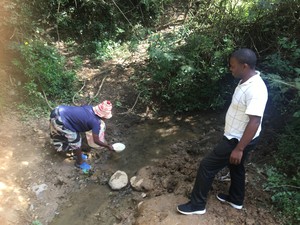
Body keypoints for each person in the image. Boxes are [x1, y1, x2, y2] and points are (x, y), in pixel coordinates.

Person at [177, 48, 268, 215]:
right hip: (240, 137)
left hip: (237, 139)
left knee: (206, 166)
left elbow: (255, 121)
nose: (230, 68)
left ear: (245, 66)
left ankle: (197, 205)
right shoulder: (245, 81)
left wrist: (239, 148)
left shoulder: (256, 90)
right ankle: (236, 199)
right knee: (237, 166)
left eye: (233, 66)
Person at [49, 100, 114, 171]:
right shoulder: (95, 122)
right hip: (60, 120)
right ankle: (79, 162)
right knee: (76, 141)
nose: (106, 119)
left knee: (73, 137)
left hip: (58, 110)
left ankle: (75, 153)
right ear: (103, 116)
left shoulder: (90, 108)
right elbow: (96, 140)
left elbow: (80, 119)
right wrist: (107, 146)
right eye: (106, 117)